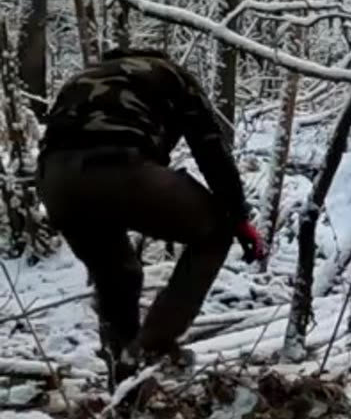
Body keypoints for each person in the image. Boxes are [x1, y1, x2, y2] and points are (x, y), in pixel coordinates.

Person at [34, 47, 265, 382]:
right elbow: (210, 147)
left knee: (119, 276)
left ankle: (125, 381)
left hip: (56, 182)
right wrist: (240, 216)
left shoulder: (81, 77)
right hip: (120, 167)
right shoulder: (170, 74)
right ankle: (154, 346)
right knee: (216, 227)